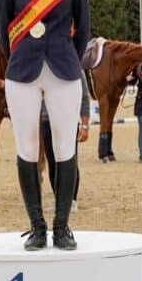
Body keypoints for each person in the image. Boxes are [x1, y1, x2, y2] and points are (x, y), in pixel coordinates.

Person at [0, 0, 91, 251]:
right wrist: (23, 56)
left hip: (63, 71)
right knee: (26, 147)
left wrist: (65, 55)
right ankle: (36, 226)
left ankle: (62, 226)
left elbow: (83, 31)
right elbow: (4, 32)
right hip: (23, 72)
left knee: (65, 147)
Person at [39, 76, 91, 210]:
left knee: (70, 160)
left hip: (68, 119)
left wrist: (85, 126)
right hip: (46, 120)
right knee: (52, 161)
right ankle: (58, 198)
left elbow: (84, 97)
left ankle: (71, 200)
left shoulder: (74, 67)